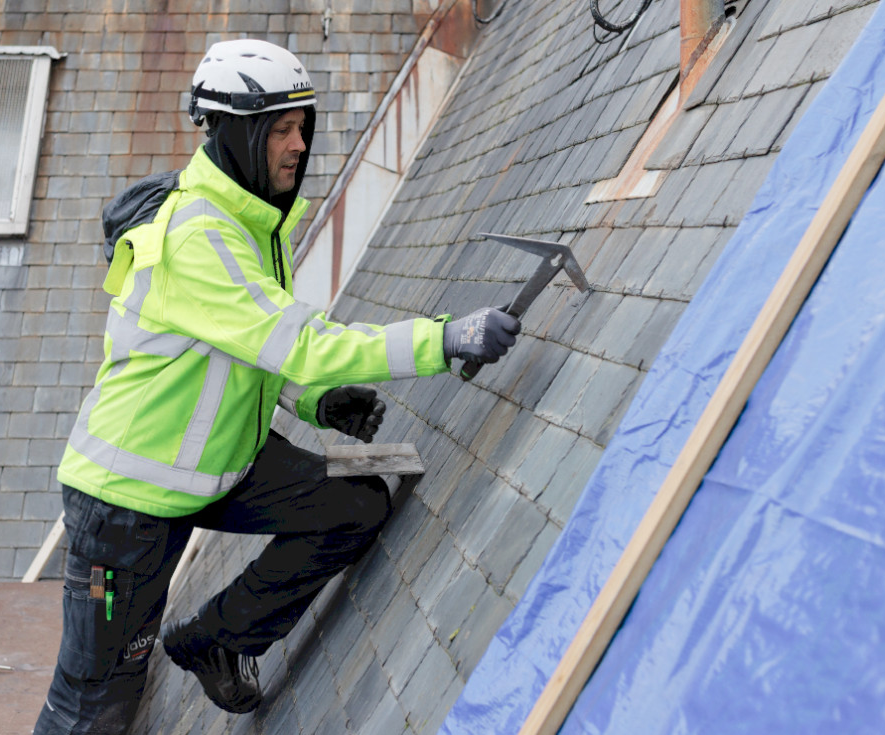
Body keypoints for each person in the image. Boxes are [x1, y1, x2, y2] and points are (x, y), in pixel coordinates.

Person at [31, 39, 519, 735]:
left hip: (212, 464)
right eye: (280, 131)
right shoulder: (198, 239)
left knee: (349, 508)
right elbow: (304, 342)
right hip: (128, 505)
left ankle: (215, 637)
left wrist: (315, 400)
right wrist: (443, 339)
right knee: (96, 704)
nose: (297, 146)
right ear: (234, 132)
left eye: (302, 128)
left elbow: (251, 350)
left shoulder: (253, 220)